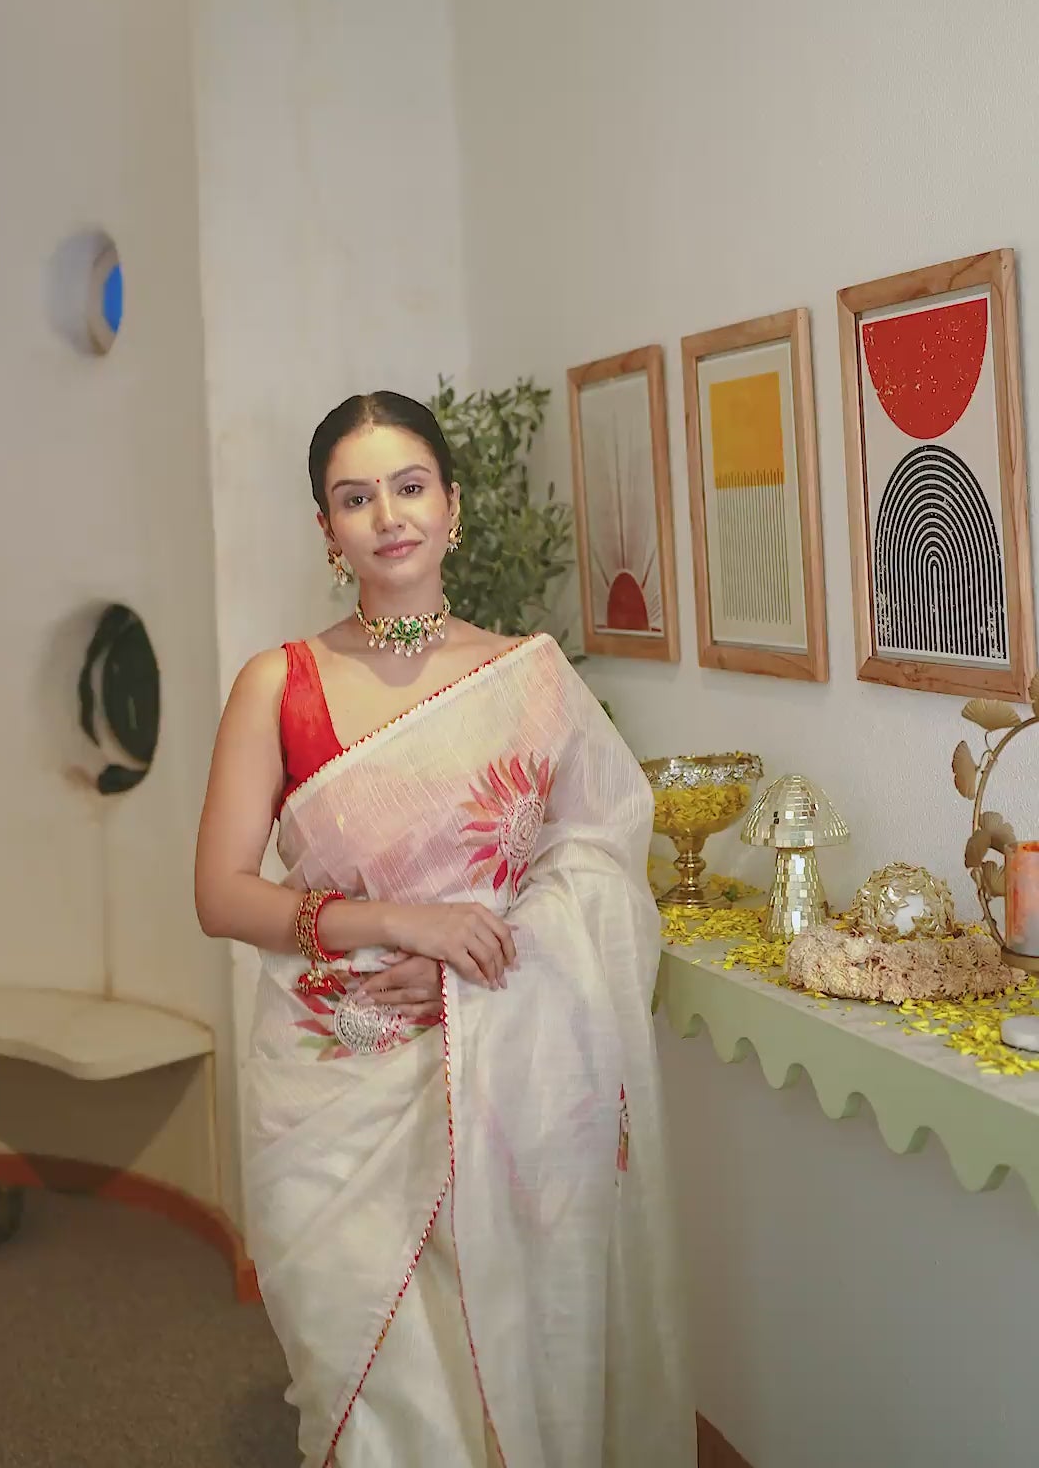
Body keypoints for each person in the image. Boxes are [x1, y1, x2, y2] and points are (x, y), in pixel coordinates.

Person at [194, 391, 691, 1468]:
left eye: (410, 487)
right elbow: (221, 895)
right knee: (372, 1384)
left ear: (452, 506)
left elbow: (599, 862)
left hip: (505, 1064)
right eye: (356, 497)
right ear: (326, 528)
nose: (389, 516)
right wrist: (394, 921)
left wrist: (471, 975)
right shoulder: (278, 686)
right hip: (334, 1078)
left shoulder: (530, 678)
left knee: (497, 1365)